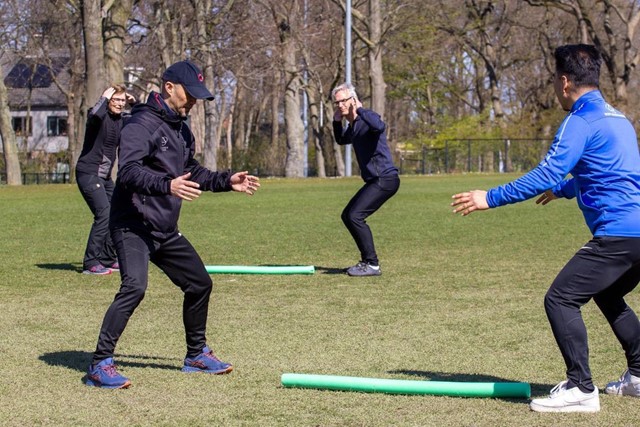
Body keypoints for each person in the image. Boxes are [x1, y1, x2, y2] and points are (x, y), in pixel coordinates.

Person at [451, 44, 640, 413]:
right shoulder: (618, 118)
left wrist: (489, 197)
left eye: (555, 80)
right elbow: (614, 174)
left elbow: (548, 171)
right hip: (637, 235)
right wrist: (567, 190)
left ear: (565, 81)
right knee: (608, 294)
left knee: (560, 298)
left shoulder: (579, 120)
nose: (555, 87)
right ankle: (638, 376)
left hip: (616, 236)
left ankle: (581, 388)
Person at [85, 60, 260, 389]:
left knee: (199, 284)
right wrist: (167, 185)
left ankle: (196, 355)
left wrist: (227, 181)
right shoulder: (140, 124)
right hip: (132, 225)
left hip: (163, 227)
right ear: (169, 87)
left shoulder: (180, 127)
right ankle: (100, 362)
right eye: (189, 94)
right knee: (135, 287)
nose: (193, 100)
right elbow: (129, 173)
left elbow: (190, 171)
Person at [332, 83, 400, 277]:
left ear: (353, 100)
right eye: (337, 102)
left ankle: (372, 264)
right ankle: (367, 262)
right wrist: (337, 122)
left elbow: (379, 126)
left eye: (343, 101)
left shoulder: (367, 118)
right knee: (348, 215)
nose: (340, 105)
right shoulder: (353, 126)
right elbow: (342, 139)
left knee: (355, 216)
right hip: (374, 181)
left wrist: (360, 109)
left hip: (385, 179)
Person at [76, 84, 136, 275]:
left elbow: (143, 120)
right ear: (108, 100)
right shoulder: (98, 118)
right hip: (88, 173)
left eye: (122, 100)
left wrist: (136, 104)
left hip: (105, 178)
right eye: (116, 99)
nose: (120, 104)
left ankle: (107, 259)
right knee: (104, 213)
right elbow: (94, 115)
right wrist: (103, 97)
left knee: (116, 213)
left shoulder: (122, 120)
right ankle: (91, 262)